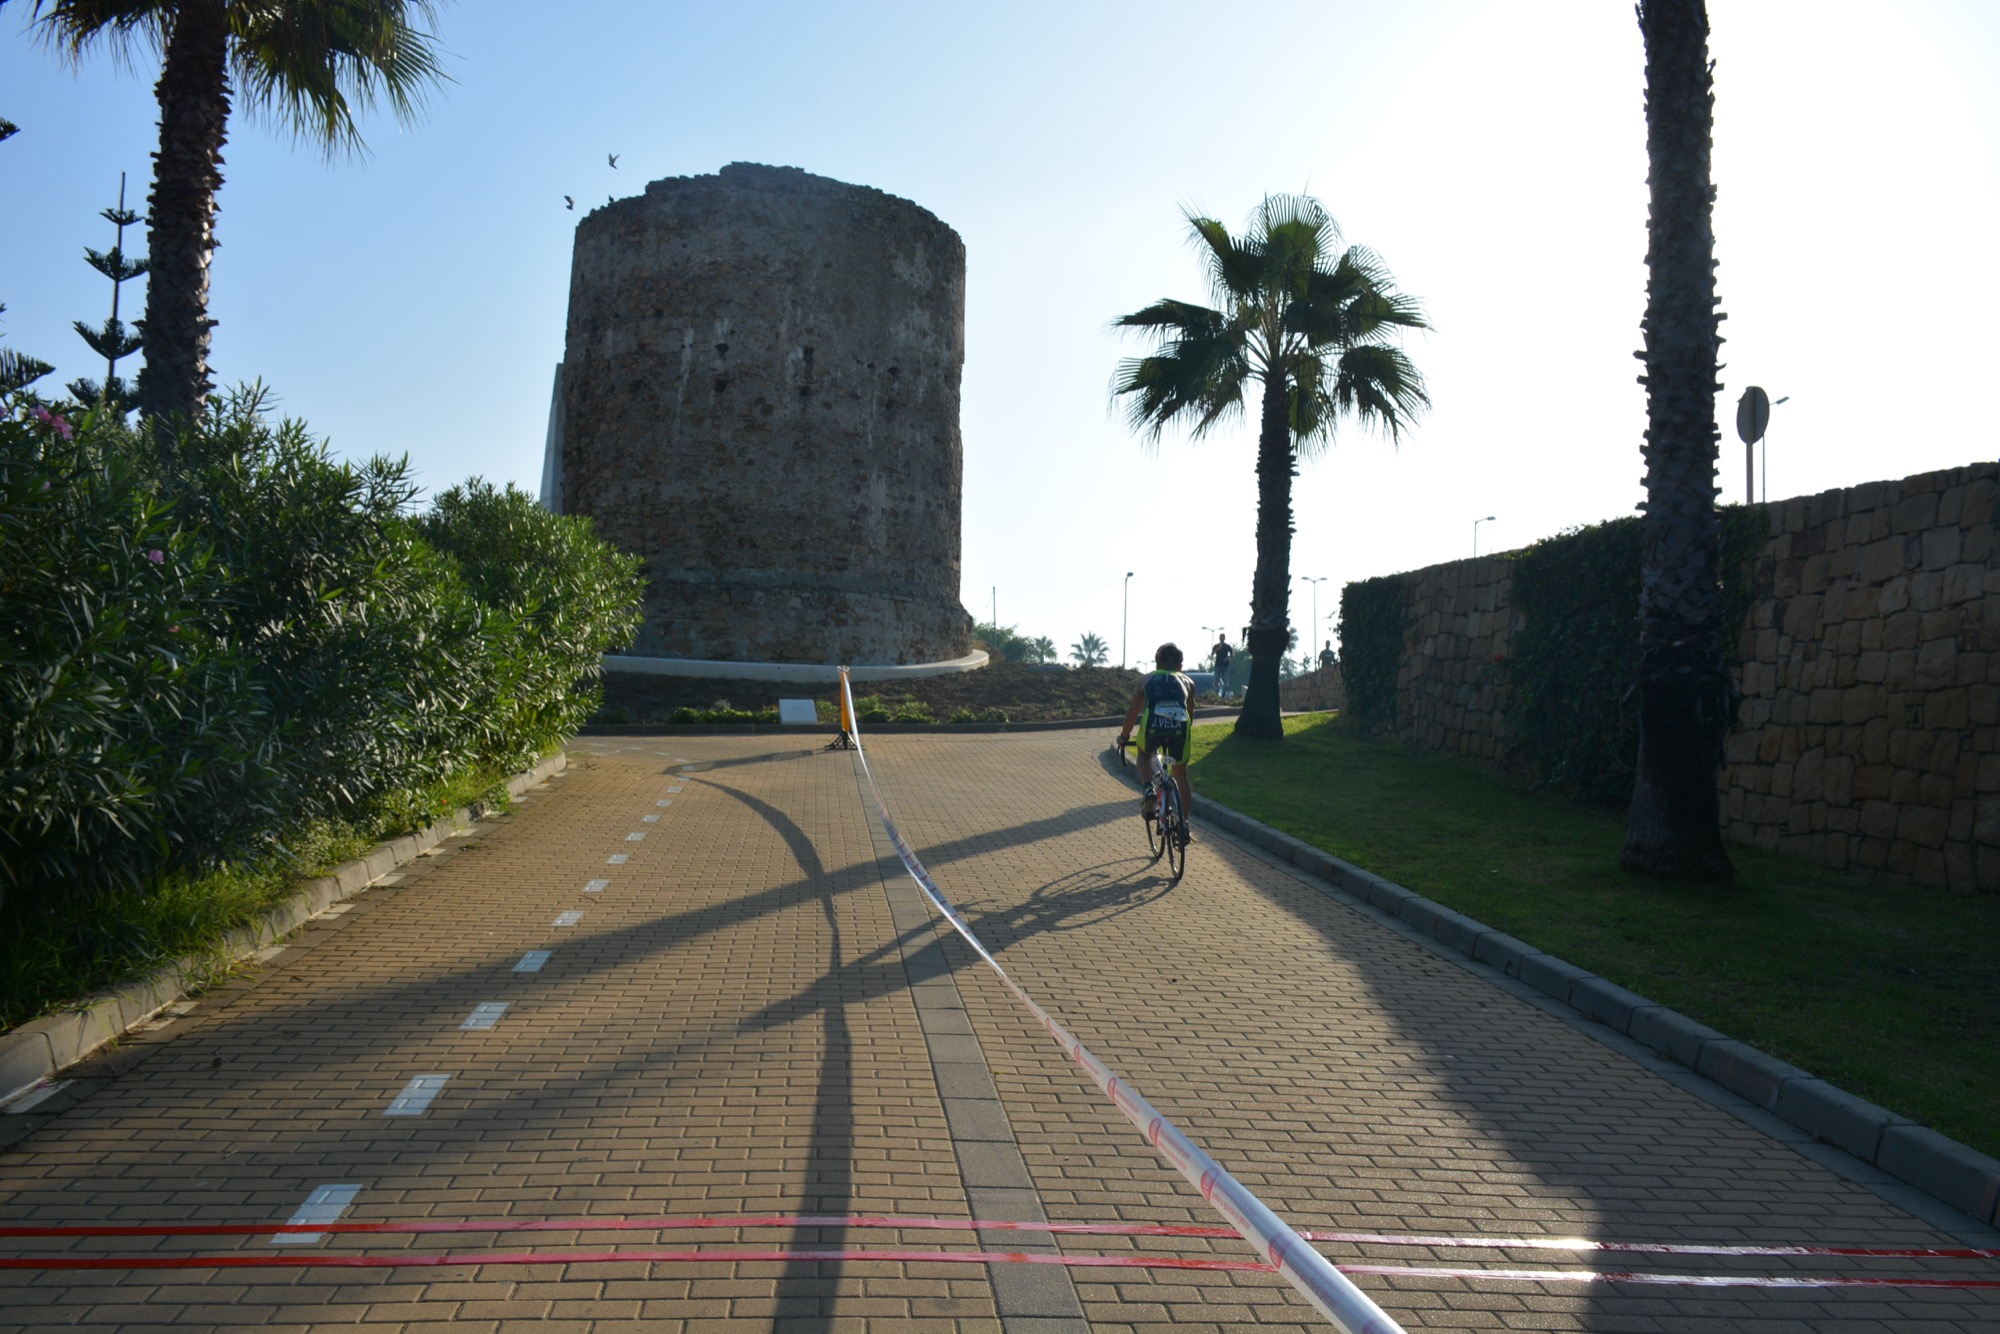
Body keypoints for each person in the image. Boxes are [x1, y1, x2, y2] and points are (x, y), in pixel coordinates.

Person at [1118, 643, 1196, 844]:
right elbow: (1190, 713)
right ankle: (1184, 824)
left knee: (1144, 754)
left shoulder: (1146, 680)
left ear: (1157, 663)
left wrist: (1124, 737)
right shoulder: (1188, 682)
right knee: (1181, 773)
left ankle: (1148, 790)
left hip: (1154, 723)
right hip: (1180, 725)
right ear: (1180, 665)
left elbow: (1132, 712)